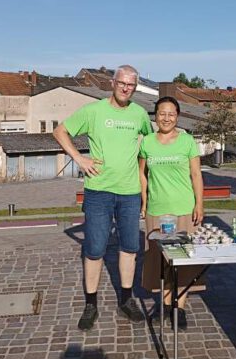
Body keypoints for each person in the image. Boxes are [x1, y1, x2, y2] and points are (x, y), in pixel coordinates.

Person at [53, 65, 152, 331]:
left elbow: (151, 143)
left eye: (131, 85)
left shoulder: (140, 113)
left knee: (130, 248)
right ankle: (91, 304)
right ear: (113, 82)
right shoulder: (94, 111)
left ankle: (126, 300)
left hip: (130, 193)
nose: (126, 88)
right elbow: (60, 131)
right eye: (122, 83)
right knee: (95, 250)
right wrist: (78, 158)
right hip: (99, 192)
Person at [139, 96, 204, 331]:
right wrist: (144, 202)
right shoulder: (147, 142)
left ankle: (179, 307)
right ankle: (164, 305)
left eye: (171, 114)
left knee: (183, 260)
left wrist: (200, 204)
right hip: (157, 210)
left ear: (177, 116)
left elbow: (196, 175)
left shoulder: (187, 141)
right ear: (155, 116)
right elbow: (142, 174)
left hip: (183, 209)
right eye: (161, 113)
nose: (166, 118)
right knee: (160, 260)